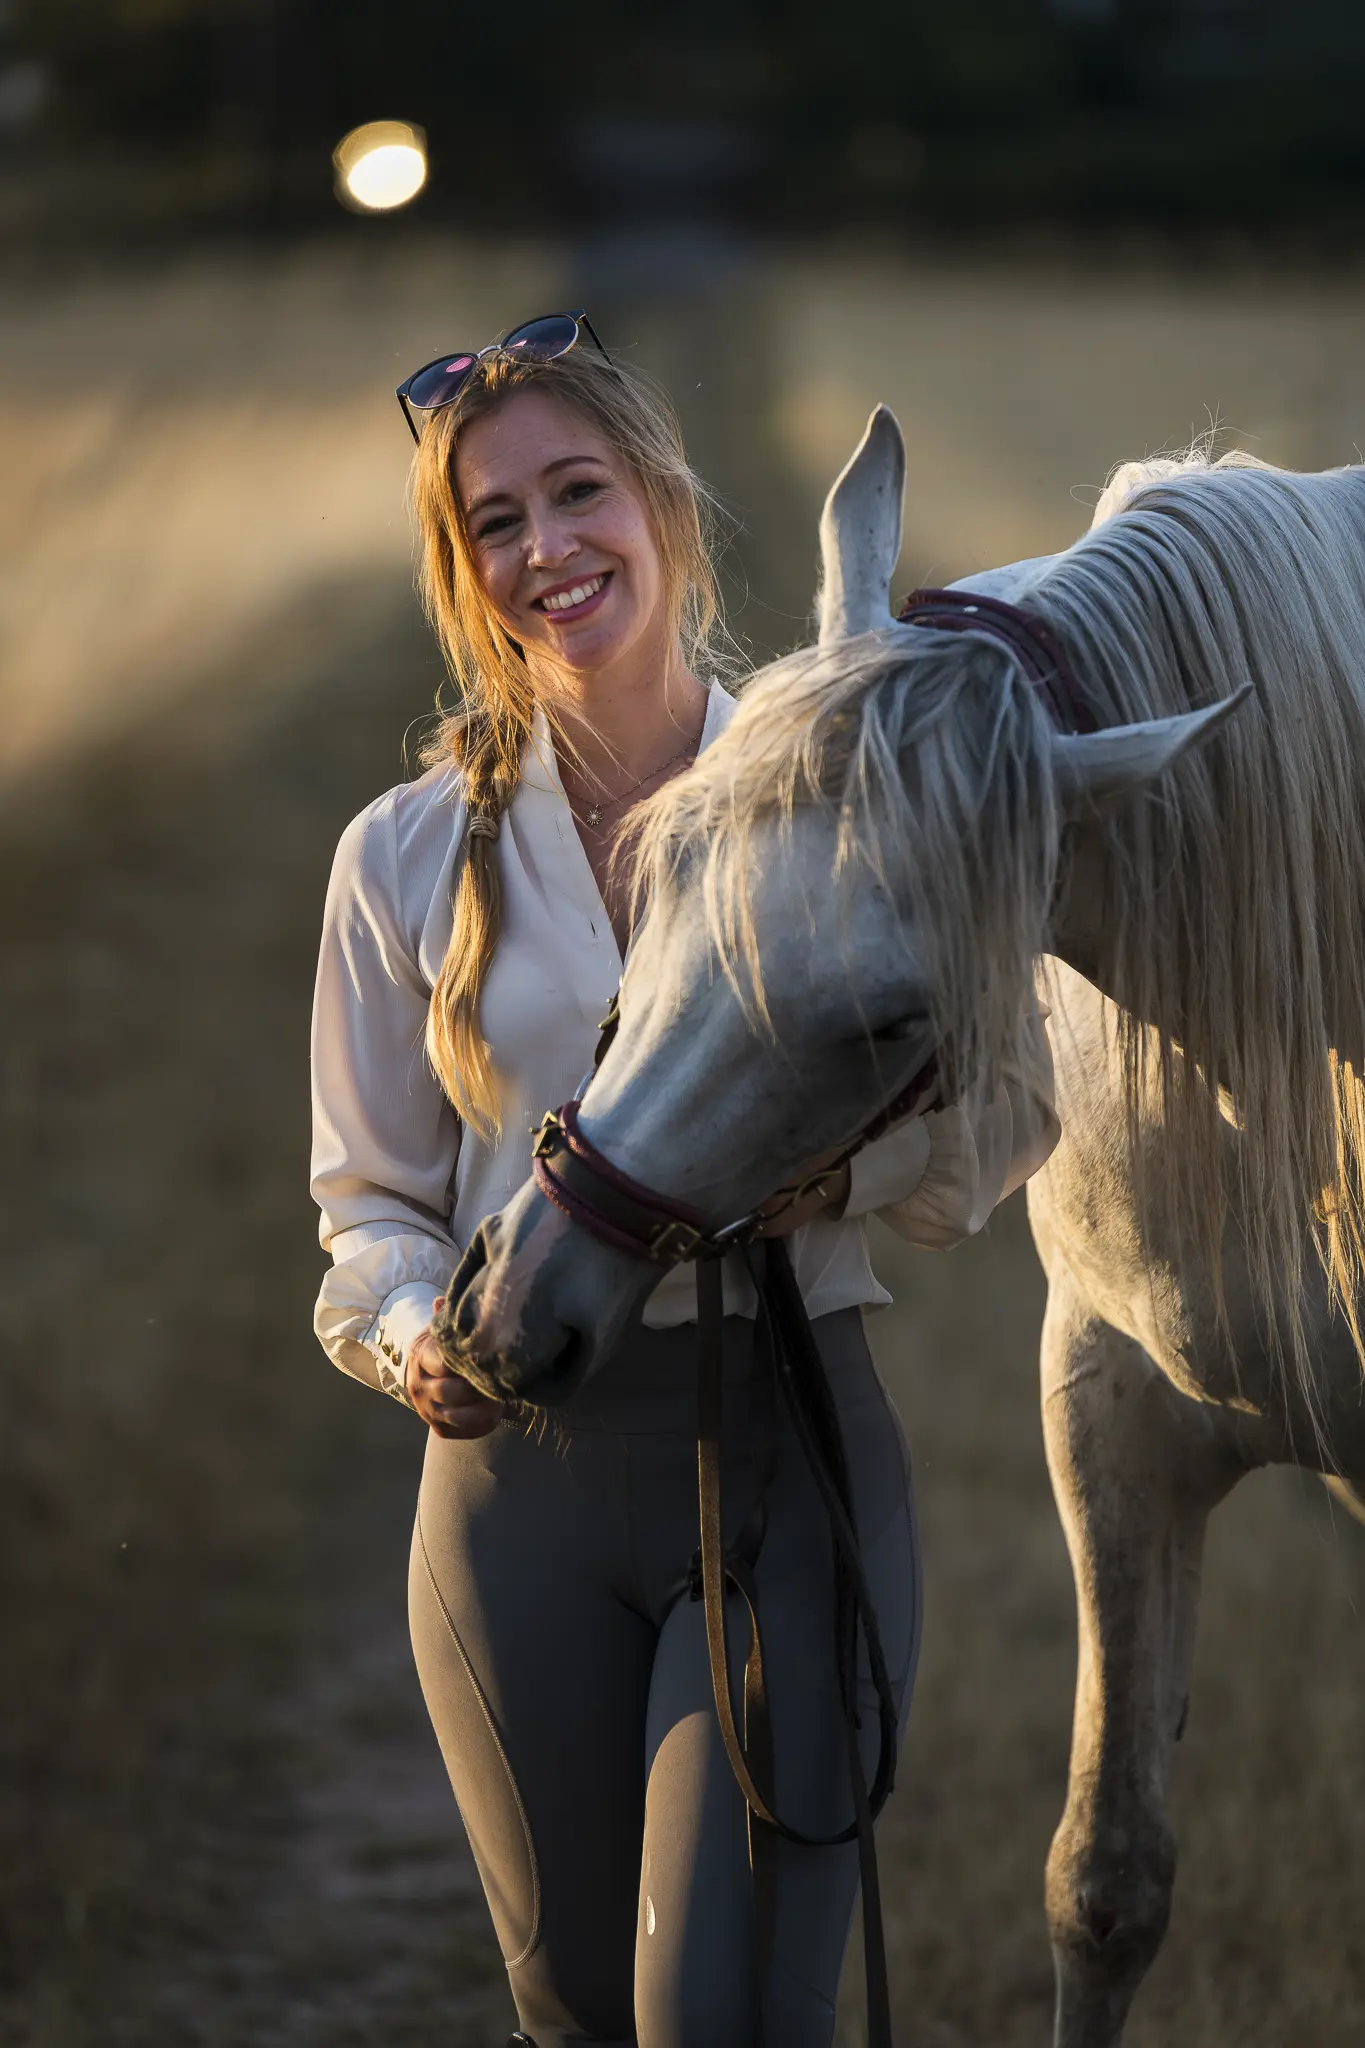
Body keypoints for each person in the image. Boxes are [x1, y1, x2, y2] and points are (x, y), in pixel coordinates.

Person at [309, 314, 1059, 2048]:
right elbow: (367, 1207)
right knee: (572, 2011)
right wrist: (413, 1332)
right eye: (496, 521)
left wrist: (842, 1175)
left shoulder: (838, 800)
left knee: (721, 2018)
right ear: (462, 567)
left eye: (579, 492)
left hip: (789, 1456)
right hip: (516, 1502)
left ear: (662, 503)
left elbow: (1004, 1121)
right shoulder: (405, 855)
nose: (547, 547)